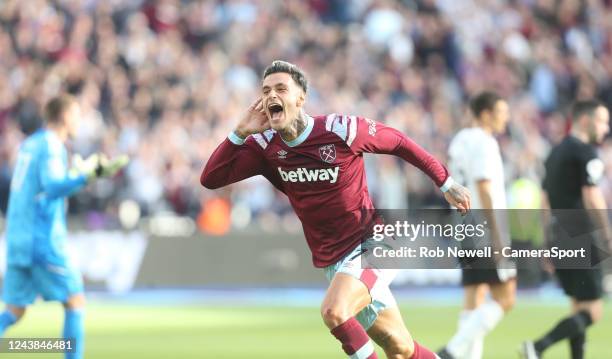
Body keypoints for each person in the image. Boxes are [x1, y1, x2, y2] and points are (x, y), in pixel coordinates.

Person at [201, 60, 471, 359]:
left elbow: (398, 141)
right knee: (400, 347)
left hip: (373, 244)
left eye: (281, 89)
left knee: (334, 311)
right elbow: (211, 178)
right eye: (265, 91)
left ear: (300, 98)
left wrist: (445, 182)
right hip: (335, 260)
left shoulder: (340, 130)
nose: (271, 96)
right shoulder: (265, 147)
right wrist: (239, 132)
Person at [0, 94, 128, 359]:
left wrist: (74, 175)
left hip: (17, 235)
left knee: (15, 310)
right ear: (66, 116)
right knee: (75, 299)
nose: (79, 120)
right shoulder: (50, 145)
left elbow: (38, 185)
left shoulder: (30, 144)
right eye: (77, 114)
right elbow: (52, 186)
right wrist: (86, 176)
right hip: (40, 238)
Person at [521, 100, 611, 359]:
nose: (605, 128)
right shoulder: (585, 154)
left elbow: (544, 202)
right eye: (602, 121)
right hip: (582, 233)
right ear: (585, 120)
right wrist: (607, 233)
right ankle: (538, 347)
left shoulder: (554, 153)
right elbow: (592, 196)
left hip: (560, 234)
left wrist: (547, 242)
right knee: (593, 311)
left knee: (577, 306)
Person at [438, 91, 516, 359]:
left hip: (463, 226)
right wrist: (497, 235)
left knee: (474, 296)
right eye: (501, 113)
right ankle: (452, 351)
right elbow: (484, 188)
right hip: (484, 227)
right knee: (506, 297)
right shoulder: (484, 142)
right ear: (485, 114)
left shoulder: (458, 141)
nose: (506, 119)